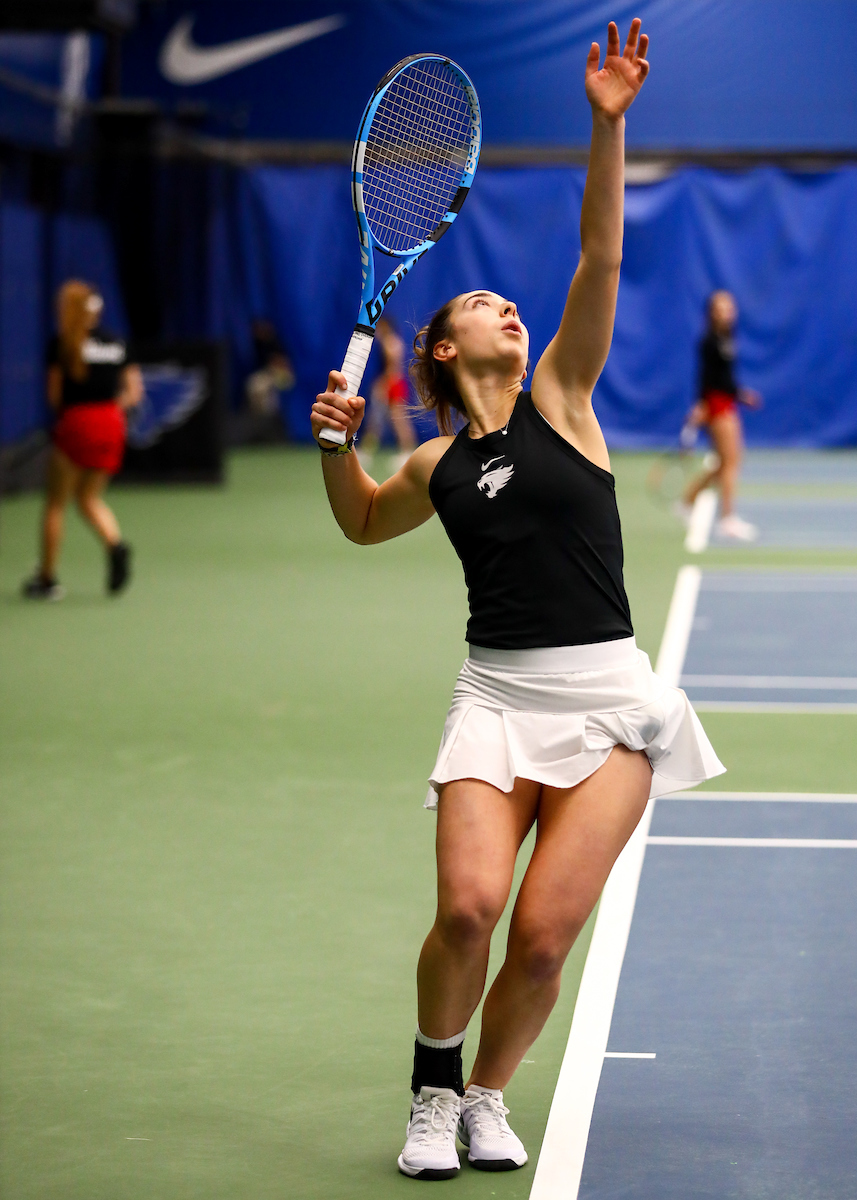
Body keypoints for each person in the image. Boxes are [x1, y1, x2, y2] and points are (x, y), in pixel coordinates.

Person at [311, 20, 723, 1181]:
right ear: (439, 351)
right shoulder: (434, 467)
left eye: (507, 302)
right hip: (496, 698)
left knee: (542, 938)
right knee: (469, 909)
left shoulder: (564, 399)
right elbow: (356, 521)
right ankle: (433, 1093)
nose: (507, 308)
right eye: (480, 304)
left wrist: (608, 121)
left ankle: (489, 1095)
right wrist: (335, 448)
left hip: (606, 707)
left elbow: (600, 262)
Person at [22, 280, 143, 600]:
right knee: (89, 497)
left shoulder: (61, 345)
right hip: (111, 425)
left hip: (77, 425)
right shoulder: (117, 342)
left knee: (56, 504)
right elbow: (133, 392)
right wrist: (109, 411)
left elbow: (55, 396)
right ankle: (115, 546)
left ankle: (47, 579)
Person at [679, 289, 762, 540]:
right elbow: (708, 378)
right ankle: (727, 519)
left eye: (730, 307)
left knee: (727, 461)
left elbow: (725, 377)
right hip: (716, 404)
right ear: (711, 313)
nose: (727, 312)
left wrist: (739, 393)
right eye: (721, 308)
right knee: (731, 462)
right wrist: (701, 405)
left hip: (727, 401)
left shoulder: (727, 338)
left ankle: (687, 501)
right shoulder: (709, 342)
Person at [358, 316, 418, 471]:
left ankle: (407, 453)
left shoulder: (390, 343)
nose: (376, 332)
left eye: (378, 327)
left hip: (394, 384)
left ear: (385, 326)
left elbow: (393, 369)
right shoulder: (391, 342)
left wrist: (383, 386)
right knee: (376, 420)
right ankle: (367, 451)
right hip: (393, 383)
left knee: (397, 420)